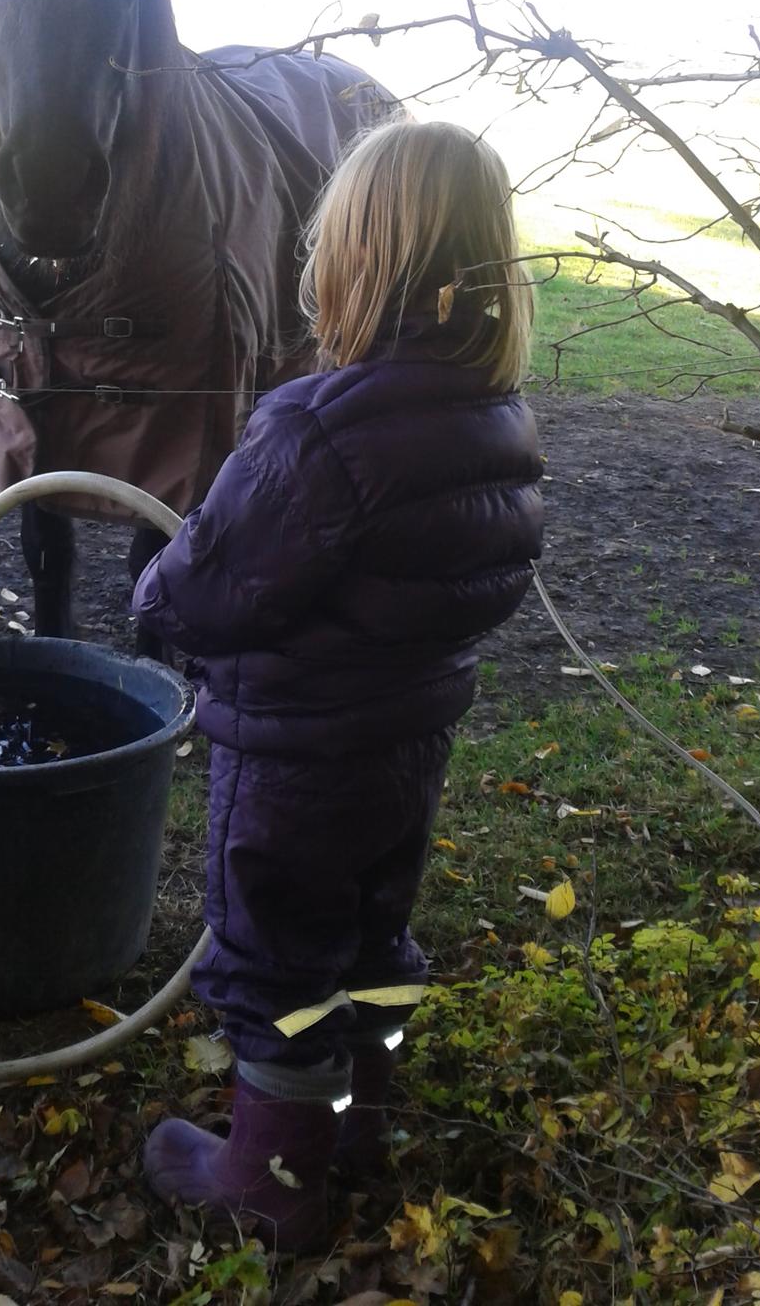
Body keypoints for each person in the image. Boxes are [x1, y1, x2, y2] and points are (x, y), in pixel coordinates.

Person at [131, 118, 545, 1252]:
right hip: (408, 748)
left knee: (276, 961)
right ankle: (357, 1122)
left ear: (352, 256)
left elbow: (209, 592)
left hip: (296, 759)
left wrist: (156, 600)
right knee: (369, 936)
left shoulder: (314, 429)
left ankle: (270, 1182)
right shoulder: (494, 418)